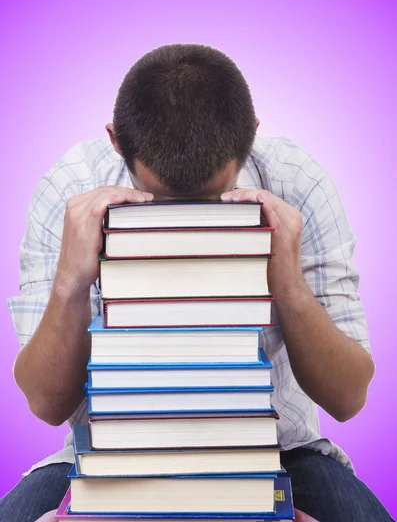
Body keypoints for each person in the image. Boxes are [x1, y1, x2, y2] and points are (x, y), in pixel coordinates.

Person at [0, 44, 393, 522]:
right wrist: (70, 284)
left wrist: (287, 286)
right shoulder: (69, 188)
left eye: (211, 201)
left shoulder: (296, 182)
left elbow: (348, 398)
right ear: (117, 142)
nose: (186, 226)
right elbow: (45, 402)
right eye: (160, 202)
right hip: (107, 449)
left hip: (279, 449)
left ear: (249, 138)